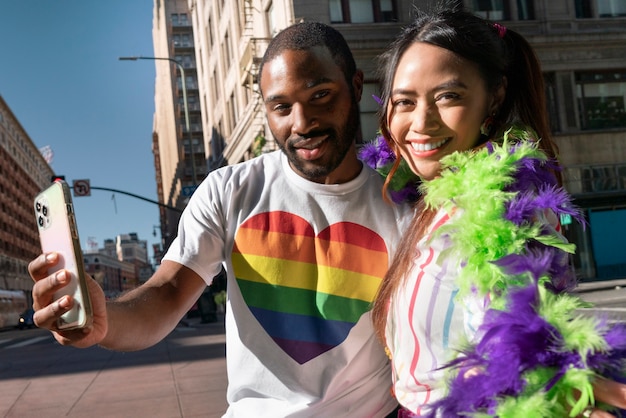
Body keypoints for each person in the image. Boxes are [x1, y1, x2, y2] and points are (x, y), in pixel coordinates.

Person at [28, 22, 412, 417]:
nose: (301, 123)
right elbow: (167, 293)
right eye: (281, 107)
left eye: (320, 96)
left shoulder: (404, 205)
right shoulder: (229, 190)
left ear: (356, 85)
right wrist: (105, 320)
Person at [367, 6, 626, 418]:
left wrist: (581, 403)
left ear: (495, 97)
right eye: (404, 101)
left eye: (448, 96)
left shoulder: (501, 206)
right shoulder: (432, 203)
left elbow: (526, 359)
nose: (421, 122)